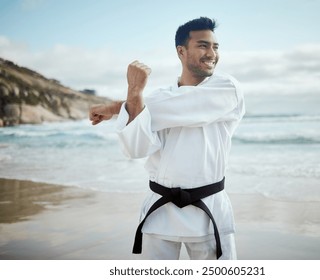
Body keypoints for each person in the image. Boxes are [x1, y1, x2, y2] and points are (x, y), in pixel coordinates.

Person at [89, 17, 245, 260]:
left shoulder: (227, 88)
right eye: (203, 45)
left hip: (209, 212)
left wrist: (121, 105)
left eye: (215, 46)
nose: (211, 53)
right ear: (181, 51)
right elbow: (135, 149)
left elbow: (181, 106)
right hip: (160, 215)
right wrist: (133, 96)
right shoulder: (158, 97)